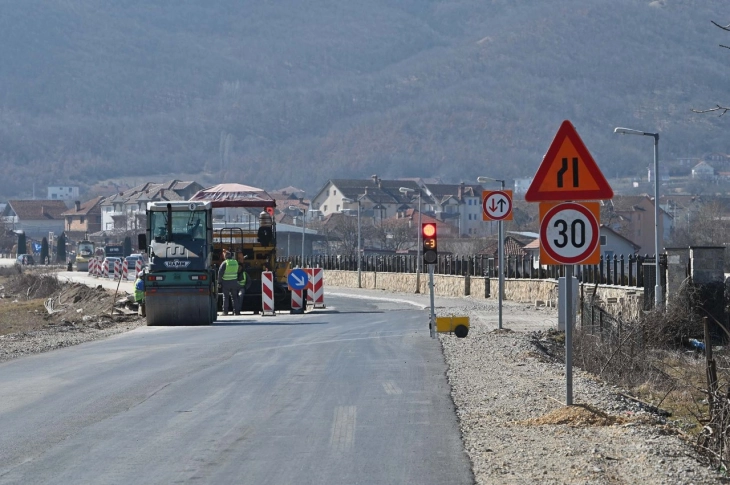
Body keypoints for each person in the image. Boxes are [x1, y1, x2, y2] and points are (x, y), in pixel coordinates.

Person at [218, 250, 240, 315]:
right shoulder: (236, 262)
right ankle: (236, 311)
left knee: (226, 297)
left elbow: (220, 273)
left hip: (226, 283)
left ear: (225, 257)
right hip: (234, 282)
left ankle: (225, 312)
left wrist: (219, 282)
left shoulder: (225, 263)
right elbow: (238, 270)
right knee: (234, 297)